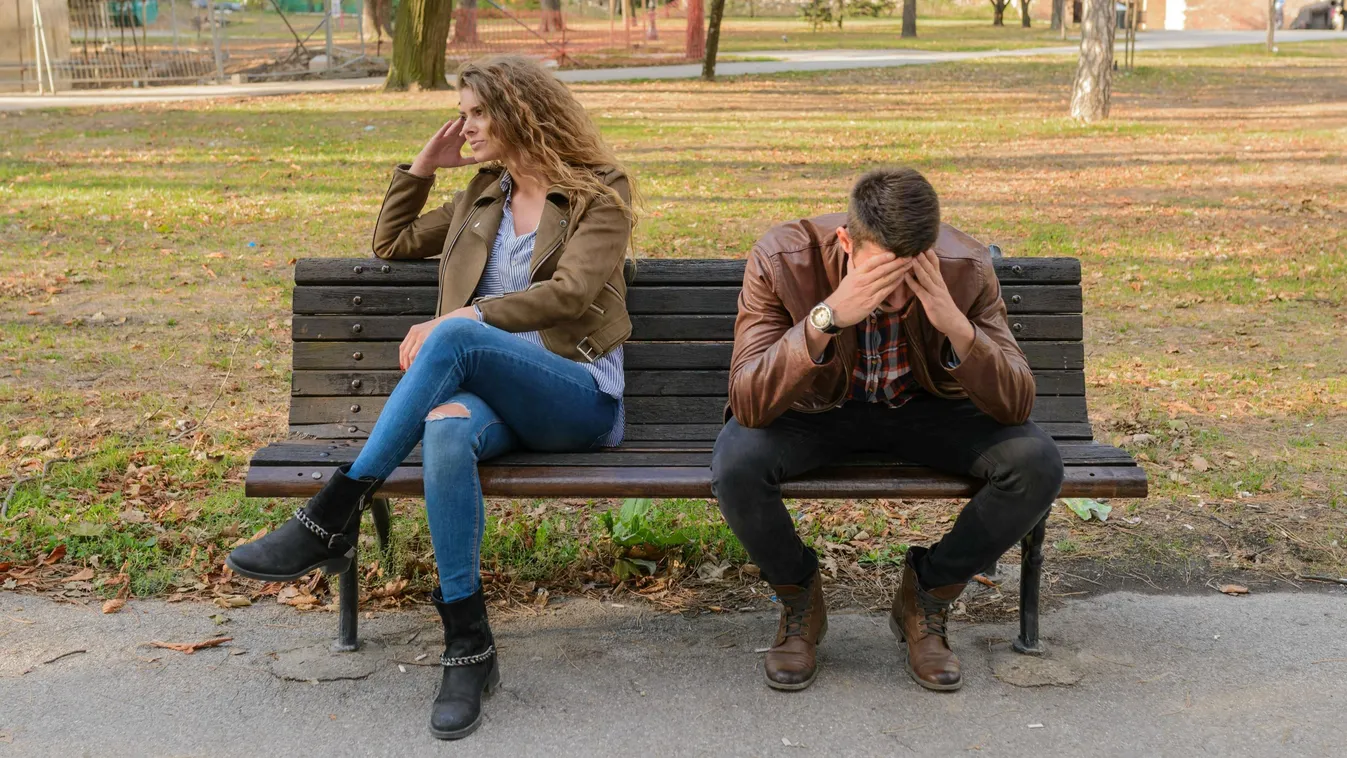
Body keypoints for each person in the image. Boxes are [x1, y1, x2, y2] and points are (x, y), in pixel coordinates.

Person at [226, 55, 637, 740]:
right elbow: (390, 243)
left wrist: (464, 318)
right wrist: (421, 166)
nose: (465, 126)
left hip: (577, 397)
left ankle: (334, 509)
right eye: (464, 114)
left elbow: (570, 294)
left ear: (519, 113)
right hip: (490, 399)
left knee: (455, 337)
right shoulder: (481, 197)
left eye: (477, 113)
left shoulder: (600, 191)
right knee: (445, 429)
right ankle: (468, 647)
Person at [711, 168, 1064, 693]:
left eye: (909, 278)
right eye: (879, 277)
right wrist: (825, 319)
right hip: (817, 412)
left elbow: (1015, 403)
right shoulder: (783, 257)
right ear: (846, 242)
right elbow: (749, 402)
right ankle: (799, 599)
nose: (894, 298)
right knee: (736, 463)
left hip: (925, 409)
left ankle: (928, 594)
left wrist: (953, 322)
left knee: (1036, 464)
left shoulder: (964, 265)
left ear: (930, 253)